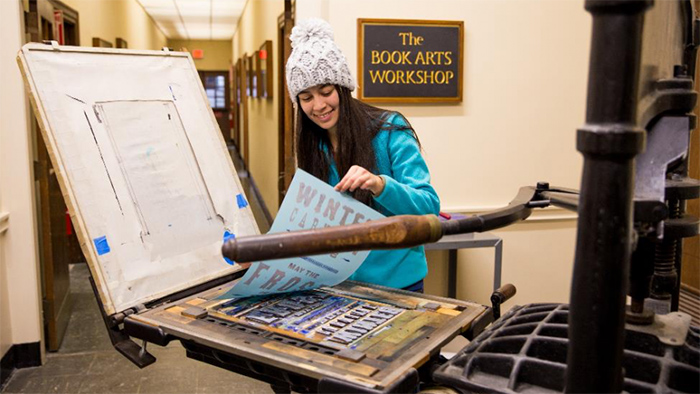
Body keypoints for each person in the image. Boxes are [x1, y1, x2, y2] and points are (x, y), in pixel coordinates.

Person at [285, 18, 440, 293]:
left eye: (326, 92)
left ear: (343, 89)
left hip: (400, 285)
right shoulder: (312, 147)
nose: (319, 105)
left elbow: (429, 208)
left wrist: (380, 185)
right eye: (306, 98)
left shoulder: (391, 129)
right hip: (339, 286)